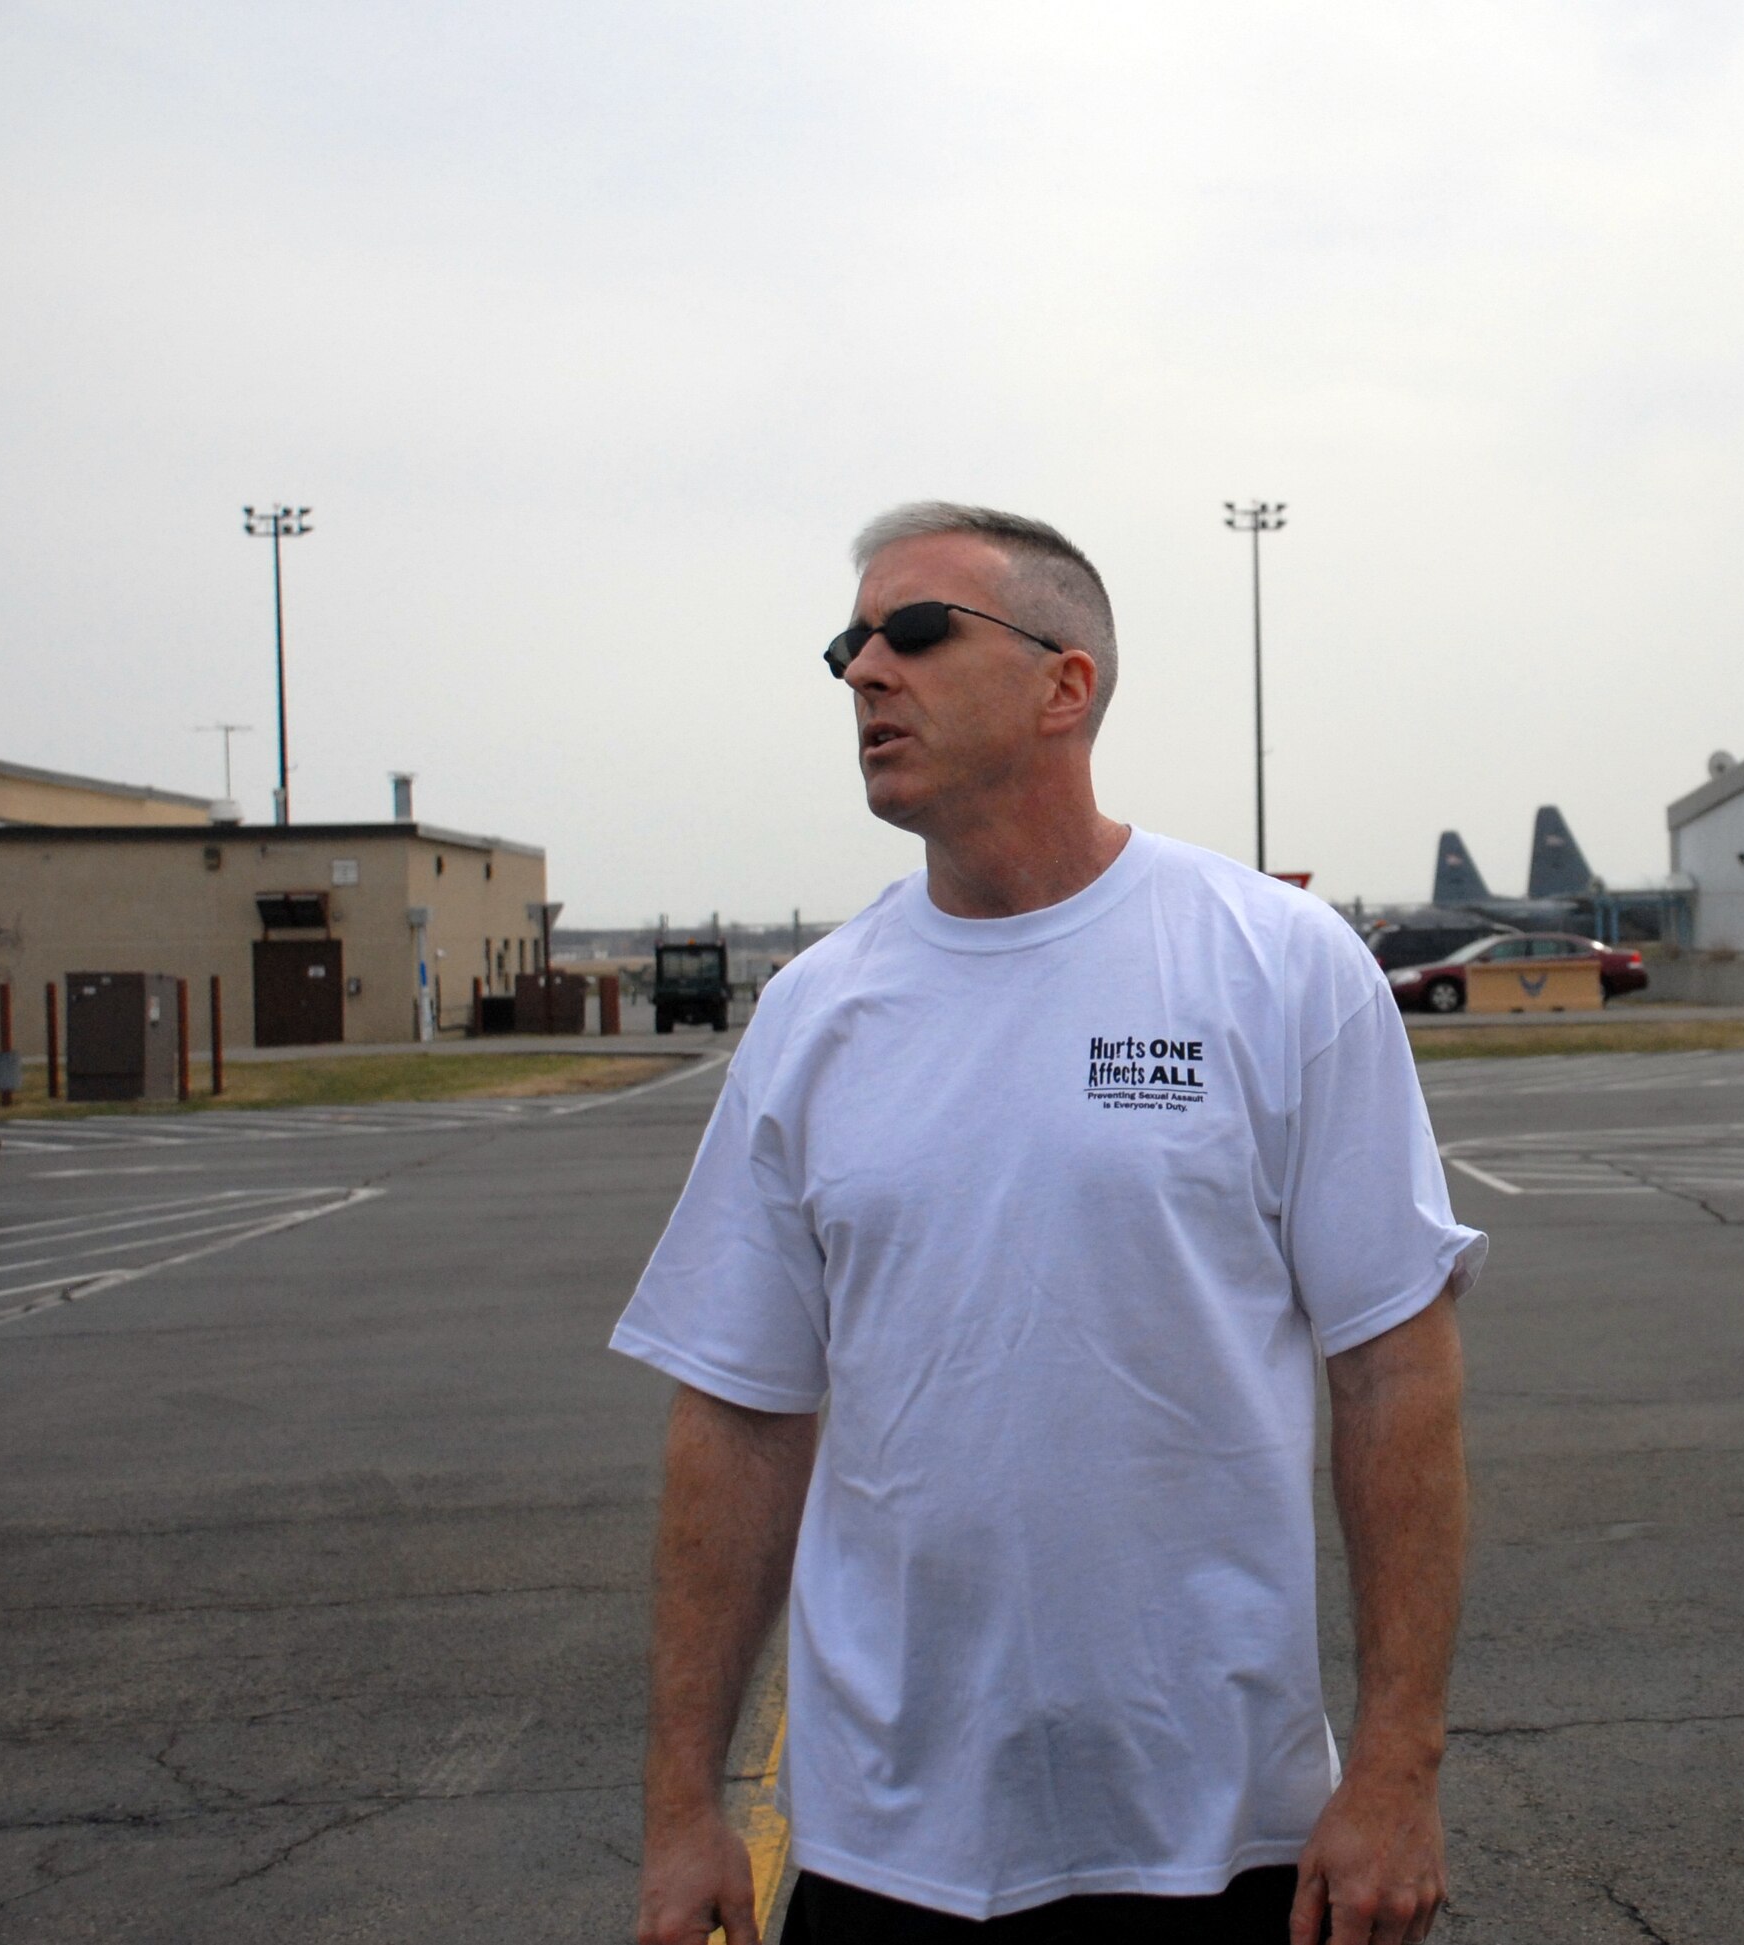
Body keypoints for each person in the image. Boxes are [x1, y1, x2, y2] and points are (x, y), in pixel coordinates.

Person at [612, 503, 1485, 1945]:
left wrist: (1398, 1764)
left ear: (1065, 683)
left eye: (914, 632)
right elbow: (741, 1418)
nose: (862, 673)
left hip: (1219, 1838)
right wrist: (680, 1804)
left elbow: (1396, 1370)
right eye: (849, 643)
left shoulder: (1272, 965)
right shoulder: (815, 1017)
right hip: (886, 1846)